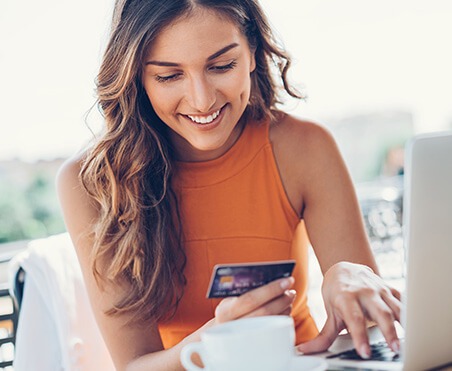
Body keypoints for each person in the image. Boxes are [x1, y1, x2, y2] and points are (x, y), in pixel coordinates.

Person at [57, 0, 402, 369]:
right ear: (137, 77)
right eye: (168, 76)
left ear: (252, 53)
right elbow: (134, 365)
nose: (202, 100)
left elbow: (369, 328)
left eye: (222, 66)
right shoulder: (93, 183)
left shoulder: (303, 148)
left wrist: (349, 275)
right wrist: (216, 339)